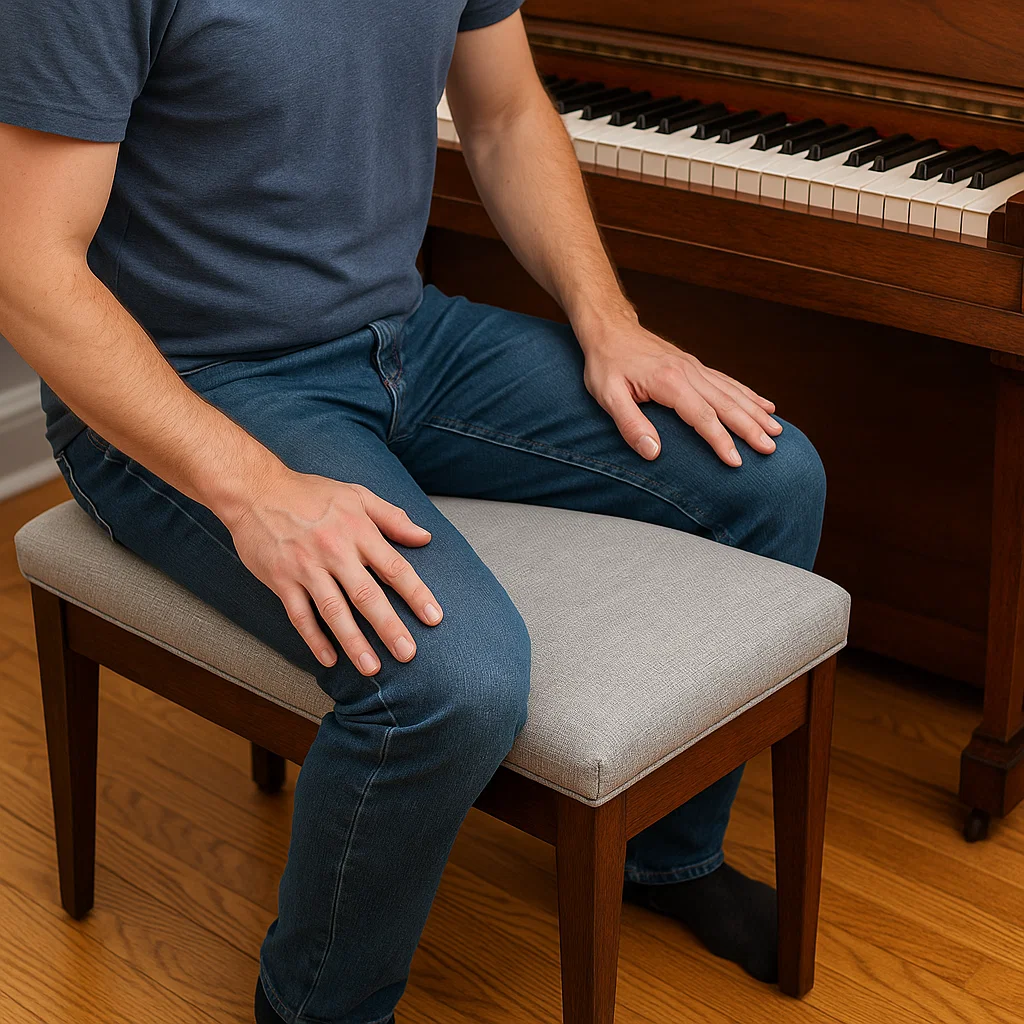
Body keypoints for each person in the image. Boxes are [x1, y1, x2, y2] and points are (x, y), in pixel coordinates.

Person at [0, 3, 826, 1022]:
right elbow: (27, 264)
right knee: (452, 678)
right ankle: (315, 1007)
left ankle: (666, 858)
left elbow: (505, 113)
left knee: (771, 479)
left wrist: (609, 321)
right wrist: (253, 488)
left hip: (403, 339)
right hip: (191, 387)